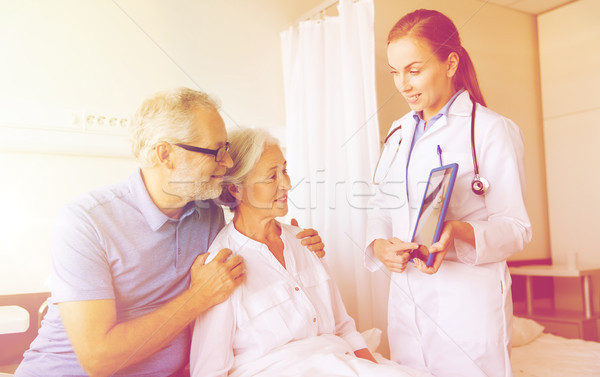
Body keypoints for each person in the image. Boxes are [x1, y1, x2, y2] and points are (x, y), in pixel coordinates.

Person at [15, 87, 324, 377]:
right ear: (166, 155)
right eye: (216, 151)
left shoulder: (207, 209)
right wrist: (197, 297)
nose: (227, 161)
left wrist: (288, 242)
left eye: (226, 149)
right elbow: (98, 358)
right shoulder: (87, 221)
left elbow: (251, 201)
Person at [365, 9, 532, 377]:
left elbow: (517, 227)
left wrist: (458, 231)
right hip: (408, 298)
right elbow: (382, 204)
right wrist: (379, 245)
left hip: (468, 305)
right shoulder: (398, 131)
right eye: (395, 72)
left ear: (450, 62)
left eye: (414, 69)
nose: (403, 85)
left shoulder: (491, 131)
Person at [190, 128, 431, 377]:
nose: (287, 184)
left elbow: (344, 328)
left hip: (341, 363)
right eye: (271, 177)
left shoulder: (303, 242)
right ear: (236, 190)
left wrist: (374, 369)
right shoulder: (221, 266)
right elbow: (208, 370)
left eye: (284, 171)